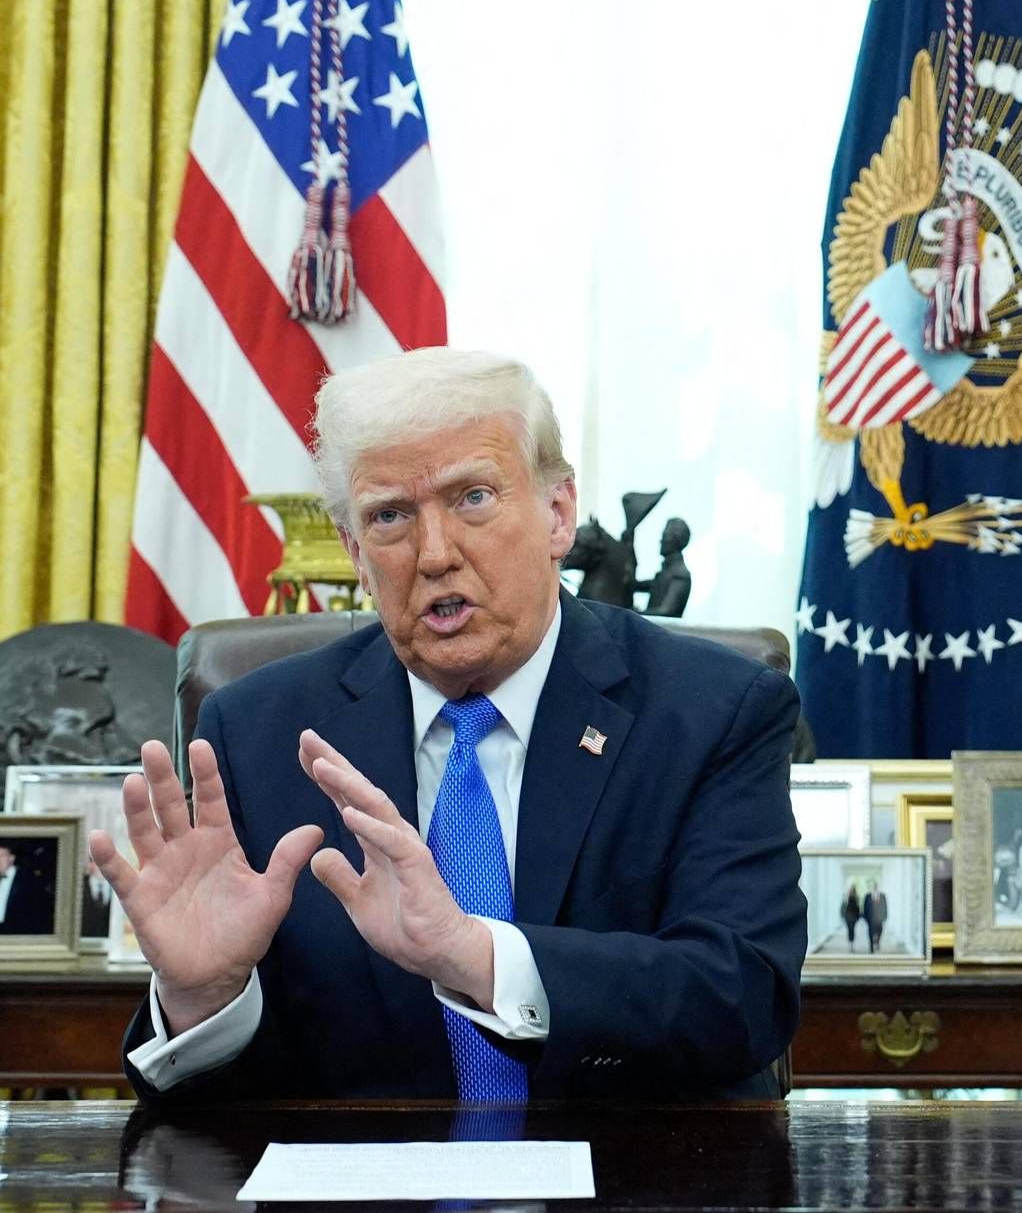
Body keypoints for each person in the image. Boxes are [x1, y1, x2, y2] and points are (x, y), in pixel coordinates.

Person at [94, 349, 807, 1103]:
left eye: (473, 497)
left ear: (558, 513)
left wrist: (478, 958)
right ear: (354, 552)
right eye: (390, 516)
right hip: (363, 1176)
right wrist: (205, 998)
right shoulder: (258, 732)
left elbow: (744, 996)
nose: (435, 555)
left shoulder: (712, 711)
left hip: (633, 1169)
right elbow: (229, 1109)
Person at [0, 842, 57, 935]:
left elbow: (39, 913)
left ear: (11, 858)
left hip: (18, 934)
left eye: (2, 855)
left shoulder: (28, 880)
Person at [861, 884, 888, 952]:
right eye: (874, 887)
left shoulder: (882, 896)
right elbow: (864, 907)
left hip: (880, 918)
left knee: (880, 931)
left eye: (876, 887)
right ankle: (871, 946)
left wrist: (885, 916)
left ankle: (877, 942)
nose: (875, 888)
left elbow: (885, 906)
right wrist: (865, 917)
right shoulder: (868, 896)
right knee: (870, 932)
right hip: (870, 918)